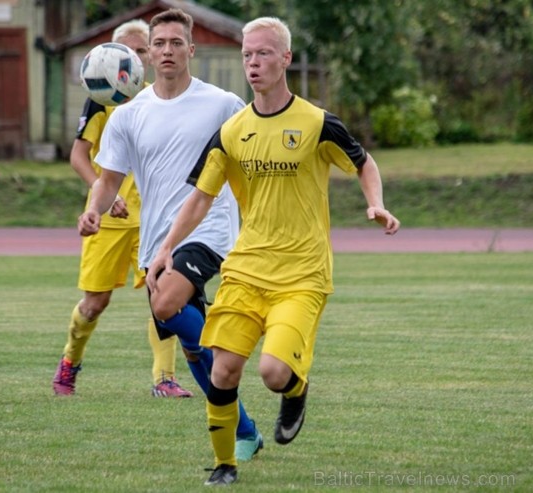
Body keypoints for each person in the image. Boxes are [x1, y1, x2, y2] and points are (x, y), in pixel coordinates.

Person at [146, 17, 401, 485]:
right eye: (247, 55)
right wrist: (166, 248)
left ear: (285, 58)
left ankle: (296, 386)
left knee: (272, 372)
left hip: (302, 274)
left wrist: (376, 204)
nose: (253, 63)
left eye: (263, 53)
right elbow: (200, 197)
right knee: (223, 370)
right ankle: (224, 466)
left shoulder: (317, 122)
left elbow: (364, 164)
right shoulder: (231, 130)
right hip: (247, 270)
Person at [78, 8, 263, 462]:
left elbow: (254, 153)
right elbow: (107, 179)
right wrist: (92, 211)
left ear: (190, 50)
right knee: (191, 346)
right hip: (156, 241)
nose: (165, 51)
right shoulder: (127, 113)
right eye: (158, 43)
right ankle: (245, 429)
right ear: (147, 54)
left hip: (210, 230)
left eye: (175, 43)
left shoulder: (221, 104)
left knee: (165, 304)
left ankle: (225, 337)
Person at [52, 19, 191, 398]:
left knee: (162, 295)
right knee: (96, 303)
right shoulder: (101, 98)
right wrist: (105, 194)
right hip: (108, 220)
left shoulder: (155, 99)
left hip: (152, 219)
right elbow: (79, 157)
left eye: (142, 50)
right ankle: (69, 362)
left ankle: (164, 378)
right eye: (128, 51)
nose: (137, 57)